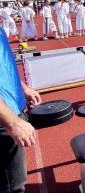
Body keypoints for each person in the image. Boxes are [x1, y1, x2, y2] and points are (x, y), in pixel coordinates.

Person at [0, 25, 42, 192]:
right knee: (12, 187)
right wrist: (13, 123)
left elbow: (4, 64)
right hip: (4, 119)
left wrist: (22, 88)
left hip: (9, 111)